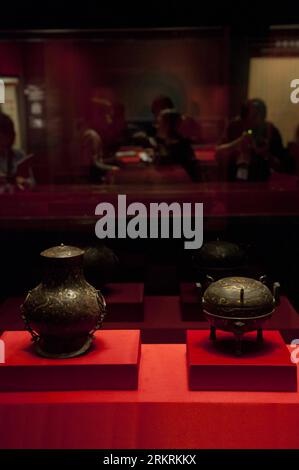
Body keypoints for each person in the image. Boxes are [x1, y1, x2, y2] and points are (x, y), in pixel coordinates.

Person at [216, 99, 285, 181]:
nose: (258, 120)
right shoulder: (234, 126)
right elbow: (218, 152)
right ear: (244, 116)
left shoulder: (270, 130)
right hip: (234, 180)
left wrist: (265, 155)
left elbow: (281, 165)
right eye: (254, 116)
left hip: (261, 181)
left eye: (262, 115)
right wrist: (239, 142)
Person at [154, 109, 198, 180]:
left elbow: (164, 167)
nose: (156, 126)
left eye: (160, 123)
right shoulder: (165, 142)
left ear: (168, 125)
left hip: (179, 183)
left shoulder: (180, 146)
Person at [77, 118, 119, 183]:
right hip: (91, 181)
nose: (110, 120)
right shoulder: (91, 136)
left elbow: (97, 160)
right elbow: (92, 165)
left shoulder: (91, 134)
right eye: (106, 114)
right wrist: (112, 168)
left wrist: (114, 159)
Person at [0, 112, 34, 189]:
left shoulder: (18, 155)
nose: (2, 142)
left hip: (14, 197)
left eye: (4, 138)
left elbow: (30, 182)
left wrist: (21, 182)